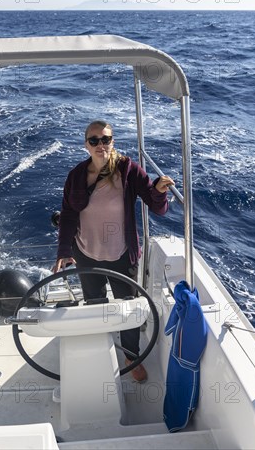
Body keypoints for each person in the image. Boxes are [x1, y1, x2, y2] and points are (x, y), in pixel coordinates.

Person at [54, 120, 174, 382]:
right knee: (95, 303)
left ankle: (131, 356)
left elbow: (158, 208)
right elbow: (68, 215)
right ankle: (101, 346)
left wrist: (159, 191)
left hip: (122, 255)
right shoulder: (76, 176)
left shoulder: (128, 171)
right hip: (86, 253)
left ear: (113, 141)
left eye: (105, 139)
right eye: (94, 140)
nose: (100, 145)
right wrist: (64, 250)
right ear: (86, 145)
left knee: (128, 310)